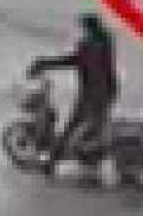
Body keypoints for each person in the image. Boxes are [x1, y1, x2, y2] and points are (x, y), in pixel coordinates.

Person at [26, 12, 119, 177]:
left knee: (72, 126)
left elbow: (73, 61)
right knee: (95, 125)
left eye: (82, 27)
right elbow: (87, 63)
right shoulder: (106, 41)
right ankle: (91, 159)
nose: (81, 30)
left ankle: (51, 163)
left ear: (87, 28)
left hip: (92, 92)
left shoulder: (88, 44)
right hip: (108, 89)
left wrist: (45, 63)